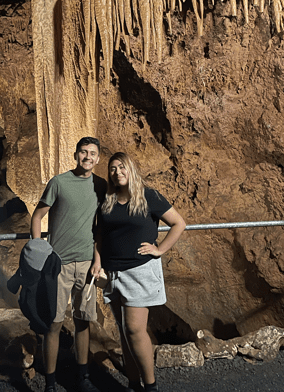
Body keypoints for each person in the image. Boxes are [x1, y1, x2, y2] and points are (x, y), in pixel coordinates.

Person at [93, 152, 186, 392]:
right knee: (125, 332)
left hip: (139, 270)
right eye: (113, 169)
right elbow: (100, 236)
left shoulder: (148, 196)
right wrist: (98, 262)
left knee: (135, 329)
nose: (117, 172)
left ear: (131, 169)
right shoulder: (108, 201)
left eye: (122, 167)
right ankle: (133, 383)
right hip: (113, 273)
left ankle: (150, 386)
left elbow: (178, 223)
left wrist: (160, 249)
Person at [31, 137, 106, 392]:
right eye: (83, 152)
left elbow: (100, 228)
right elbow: (38, 215)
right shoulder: (59, 182)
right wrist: (39, 251)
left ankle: (82, 377)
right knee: (53, 322)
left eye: (92, 153)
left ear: (98, 158)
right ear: (76, 155)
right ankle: (50, 383)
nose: (88, 157)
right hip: (58, 264)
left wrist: (98, 260)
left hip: (86, 263)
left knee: (83, 321)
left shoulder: (101, 185)